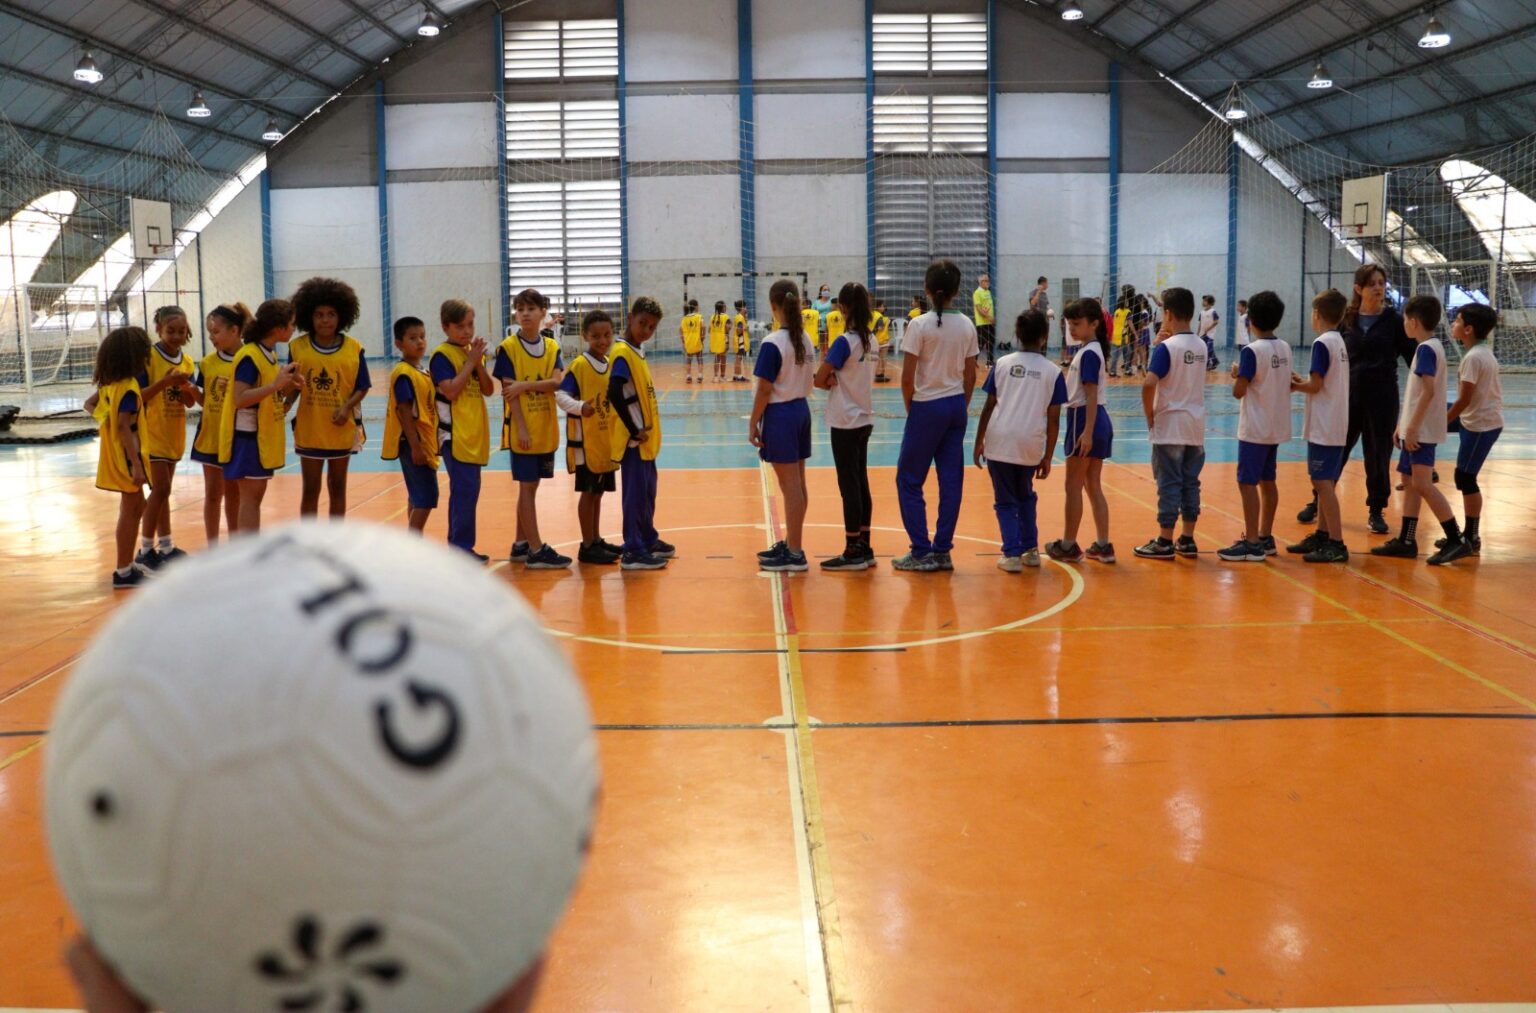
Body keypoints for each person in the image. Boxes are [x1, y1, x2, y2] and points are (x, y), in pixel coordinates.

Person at [1297, 263, 1413, 534]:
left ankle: (1376, 509)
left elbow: (1414, 359)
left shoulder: (1394, 321)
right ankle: (1318, 501)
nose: (1378, 288)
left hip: (1383, 399)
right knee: (1336, 452)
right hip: (1347, 398)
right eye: (1372, 283)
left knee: (1378, 455)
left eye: (1381, 283)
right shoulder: (1346, 320)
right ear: (1358, 288)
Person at [893, 260, 978, 572]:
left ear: (927, 290)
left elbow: (907, 377)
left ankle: (920, 551)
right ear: (957, 291)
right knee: (951, 479)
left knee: (909, 479)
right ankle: (942, 550)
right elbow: (971, 375)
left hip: (927, 406)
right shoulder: (968, 325)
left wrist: (913, 409)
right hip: (955, 405)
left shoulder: (919, 325)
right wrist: (962, 405)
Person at [1371, 296, 1469, 565]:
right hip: (1414, 429)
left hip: (1421, 432)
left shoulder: (1426, 349)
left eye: (1404, 319)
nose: (1404, 323)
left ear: (1413, 322)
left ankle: (1455, 538)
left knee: (1423, 484)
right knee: (1410, 480)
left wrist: (1412, 428)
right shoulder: (1428, 347)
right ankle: (1406, 539)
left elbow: (1427, 392)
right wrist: (1402, 426)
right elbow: (1417, 394)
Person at [973, 309, 1065, 571]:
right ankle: (1031, 550)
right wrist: (1048, 456)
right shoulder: (1053, 372)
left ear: (1017, 335)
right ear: (1045, 337)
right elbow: (1055, 418)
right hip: (1030, 444)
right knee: (1025, 495)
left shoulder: (1002, 364)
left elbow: (989, 406)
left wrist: (979, 440)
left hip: (1000, 441)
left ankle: (1012, 554)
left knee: (1004, 500)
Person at [495, 288, 570, 570]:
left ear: (543, 313)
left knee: (531, 487)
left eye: (530, 308)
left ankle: (520, 544)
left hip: (546, 428)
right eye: (520, 308)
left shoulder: (552, 347)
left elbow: (556, 382)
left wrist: (525, 385)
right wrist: (522, 429)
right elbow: (508, 392)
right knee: (527, 487)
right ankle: (536, 550)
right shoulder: (508, 348)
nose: (524, 313)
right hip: (523, 431)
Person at [287, 277, 370, 519]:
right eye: (319, 314)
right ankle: (309, 543)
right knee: (310, 490)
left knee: (338, 487)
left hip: (340, 430)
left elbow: (362, 386)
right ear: (309, 317)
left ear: (341, 316)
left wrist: (346, 408)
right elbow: (293, 386)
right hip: (310, 429)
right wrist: (282, 407)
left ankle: (335, 542)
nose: (325, 320)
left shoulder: (354, 348)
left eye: (331, 314)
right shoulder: (298, 347)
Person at [1133, 287, 1207, 560]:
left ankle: (1164, 541)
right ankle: (1187, 539)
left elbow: (1149, 383)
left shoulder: (1167, 347)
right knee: (1190, 482)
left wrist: (1149, 415)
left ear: (1168, 313)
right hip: (1195, 426)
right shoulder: (1200, 345)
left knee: (1168, 483)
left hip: (1170, 425)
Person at [1218, 290, 1291, 562]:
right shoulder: (1284, 347)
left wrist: (1237, 374)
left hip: (1255, 427)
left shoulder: (1251, 351)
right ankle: (1265, 535)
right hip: (1276, 426)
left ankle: (1251, 542)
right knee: (1268, 481)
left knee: (1247, 483)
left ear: (1251, 321)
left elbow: (1239, 391)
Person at [218, 300, 303, 533]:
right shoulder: (250, 356)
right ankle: (246, 557)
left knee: (254, 499)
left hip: (259, 437)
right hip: (246, 437)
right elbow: (240, 398)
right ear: (279, 327)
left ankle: (247, 554)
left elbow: (266, 394)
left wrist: (290, 385)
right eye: (292, 324)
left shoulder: (268, 355)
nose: (294, 328)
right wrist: (277, 384)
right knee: (250, 500)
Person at [751, 280, 816, 573]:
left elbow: (764, 389)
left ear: (774, 306)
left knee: (790, 487)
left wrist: (753, 422)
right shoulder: (805, 338)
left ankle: (795, 551)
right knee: (798, 485)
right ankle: (793, 542)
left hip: (781, 415)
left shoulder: (772, 342)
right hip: (801, 411)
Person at [1045, 298, 1114, 564]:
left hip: (1085, 419)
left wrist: (1086, 432)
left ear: (1094, 324)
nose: (1071, 329)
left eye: (1077, 324)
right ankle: (1103, 545)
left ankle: (1068, 545)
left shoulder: (1088, 354)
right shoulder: (1091, 350)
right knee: (1091, 484)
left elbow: (1091, 394)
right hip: (1097, 420)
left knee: (1072, 485)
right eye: (1069, 324)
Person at [607, 296, 674, 570]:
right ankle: (633, 549)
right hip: (634, 441)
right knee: (634, 495)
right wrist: (634, 428)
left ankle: (647, 537)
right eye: (642, 323)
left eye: (651, 327)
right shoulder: (622, 352)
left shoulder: (636, 351)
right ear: (629, 318)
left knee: (647, 493)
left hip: (646, 441)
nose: (646, 330)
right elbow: (614, 392)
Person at [814, 282, 876, 571]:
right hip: (864, 418)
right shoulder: (871, 340)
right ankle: (864, 544)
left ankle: (853, 550)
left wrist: (830, 380)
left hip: (845, 420)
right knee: (860, 482)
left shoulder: (844, 342)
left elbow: (819, 378)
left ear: (844, 308)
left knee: (849, 485)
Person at [1286, 289, 1351, 563]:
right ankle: (1323, 533)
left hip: (1325, 424)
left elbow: (1315, 385)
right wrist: (1303, 382)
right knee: (1325, 482)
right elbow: (1321, 383)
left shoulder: (1322, 343)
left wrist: (1293, 385)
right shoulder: (1338, 342)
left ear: (1316, 314)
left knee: (1322, 482)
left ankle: (1336, 542)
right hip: (1335, 420)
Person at [557, 309, 622, 565]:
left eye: (607, 335)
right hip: (587, 443)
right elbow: (561, 396)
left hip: (606, 442)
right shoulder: (581, 365)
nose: (602, 340)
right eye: (596, 336)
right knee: (588, 492)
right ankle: (586, 546)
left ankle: (596, 539)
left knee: (598, 493)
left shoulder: (610, 363)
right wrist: (581, 406)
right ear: (585, 336)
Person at [430, 299, 494, 560]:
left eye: (470, 325)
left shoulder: (472, 353)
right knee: (463, 491)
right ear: (446, 327)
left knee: (468, 492)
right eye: (460, 326)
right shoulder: (441, 356)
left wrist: (478, 363)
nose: (467, 331)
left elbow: (489, 390)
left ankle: (461, 547)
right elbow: (451, 390)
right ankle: (459, 549)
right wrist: (470, 363)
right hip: (454, 435)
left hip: (473, 432)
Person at [135, 305, 197, 567]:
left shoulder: (188, 362)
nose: (176, 335)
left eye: (181, 331)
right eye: (170, 330)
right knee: (161, 489)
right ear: (159, 330)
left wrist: (185, 388)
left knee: (164, 492)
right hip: (152, 433)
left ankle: (167, 546)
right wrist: (164, 383)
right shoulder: (148, 358)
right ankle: (146, 549)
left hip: (174, 433)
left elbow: (189, 403)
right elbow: (136, 396)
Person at [92, 326, 153, 589]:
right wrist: (136, 464)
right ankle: (124, 571)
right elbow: (122, 426)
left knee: (134, 507)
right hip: (128, 457)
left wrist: (105, 421)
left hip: (114, 455)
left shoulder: (109, 385)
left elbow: (90, 406)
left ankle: (126, 564)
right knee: (131, 510)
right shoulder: (128, 387)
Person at [1443, 303, 1503, 557]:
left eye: (1457, 320)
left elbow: (1464, 400)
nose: (1453, 324)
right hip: (1476, 418)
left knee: (1465, 478)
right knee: (1430, 414)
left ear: (1467, 329)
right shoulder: (1480, 353)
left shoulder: (1474, 358)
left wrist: (1443, 420)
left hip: (1481, 425)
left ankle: (1471, 536)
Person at [189, 303, 249, 544]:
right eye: (209, 333)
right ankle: (213, 546)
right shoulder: (207, 363)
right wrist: (193, 392)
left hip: (237, 437)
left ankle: (235, 545)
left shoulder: (250, 359)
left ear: (234, 330)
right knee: (213, 494)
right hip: (210, 436)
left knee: (234, 494)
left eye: (216, 332)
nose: (212, 337)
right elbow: (206, 401)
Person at [382, 315, 439, 534]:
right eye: (413, 338)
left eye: (422, 337)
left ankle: (413, 541)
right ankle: (413, 543)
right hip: (413, 442)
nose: (420, 342)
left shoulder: (421, 371)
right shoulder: (404, 374)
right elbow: (404, 412)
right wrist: (415, 446)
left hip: (424, 440)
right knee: (426, 498)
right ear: (399, 344)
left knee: (416, 496)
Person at [972, 273, 996, 366]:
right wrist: (989, 317)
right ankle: (974, 361)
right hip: (982, 323)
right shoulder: (977, 293)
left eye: (988, 280)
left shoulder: (988, 292)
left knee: (991, 342)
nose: (988, 282)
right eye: (986, 280)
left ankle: (989, 362)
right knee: (980, 343)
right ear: (981, 282)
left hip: (989, 322)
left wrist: (992, 318)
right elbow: (979, 308)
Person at [680, 299, 703, 383]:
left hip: (688, 343)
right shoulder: (699, 316)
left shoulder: (684, 318)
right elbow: (703, 326)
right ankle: (700, 375)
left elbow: (680, 329)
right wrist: (702, 337)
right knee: (700, 360)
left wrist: (683, 340)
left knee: (688, 360)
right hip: (697, 342)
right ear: (696, 306)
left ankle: (688, 376)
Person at [1109, 290, 1132, 378]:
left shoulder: (1116, 311)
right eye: (1126, 301)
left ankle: (1112, 371)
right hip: (1123, 335)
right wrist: (1135, 333)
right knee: (1127, 353)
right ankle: (1127, 369)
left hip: (1115, 335)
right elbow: (1130, 324)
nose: (1128, 302)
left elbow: (1113, 322)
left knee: (1115, 354)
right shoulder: (1128, 312)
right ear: (1124, 302)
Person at [1197, 294, 1221, 370]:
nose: (1203, 302)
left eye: (1205, 300)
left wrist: (1209, 328)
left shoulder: (1213, 311)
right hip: (1202, 334)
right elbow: (1200, 323)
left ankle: (1208, 364)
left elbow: (1216, 321)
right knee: (1204, 349)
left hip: (1210, 334)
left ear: (1209, 302)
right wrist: (1197, 333)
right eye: (1203, 300)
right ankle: (1215, 361)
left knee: (1208, 348)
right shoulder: (1201, 312)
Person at [708, 300, 729, 382]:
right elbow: (727, 331)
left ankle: (715, 376)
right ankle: (722, 376)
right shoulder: (726, 317)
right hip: (722, 340)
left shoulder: (712, 317)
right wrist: (727, 342)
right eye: (725, 306)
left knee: (717, 358)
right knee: (723, 358)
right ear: (723, 307)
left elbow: (709, 330)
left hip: (714, 341)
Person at [872, 299, 892, 383]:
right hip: (881, 341)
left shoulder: (874, 316)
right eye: (882, 306)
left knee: (874, 358)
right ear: (878, 307)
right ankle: (881, 374)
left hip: (876, 341)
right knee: (882, 359)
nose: (884, 307)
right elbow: (880, 327)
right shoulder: (883, 318)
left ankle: (877, 374)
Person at [731, 299, 750, 383]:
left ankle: (736, 375)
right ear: (742, 308)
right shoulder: (739, 317)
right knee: (739, 358)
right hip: (740, 340)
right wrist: (745, 328)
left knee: (738, 358)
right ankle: (739, 376)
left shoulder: (741, 317)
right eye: (745, 307)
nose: (746, 308)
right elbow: (739, 330)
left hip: (739, 340)